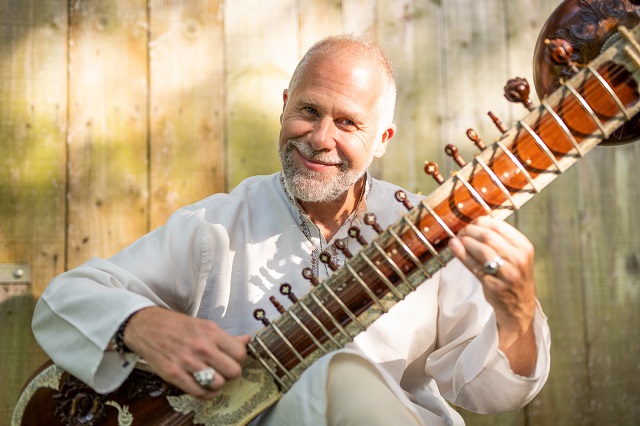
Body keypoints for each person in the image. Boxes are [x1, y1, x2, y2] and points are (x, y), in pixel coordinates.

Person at [32, 34, 550, 425]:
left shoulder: (436, 231)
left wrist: (519, 315)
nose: (320, 137)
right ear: (284, 106)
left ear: (384, 138)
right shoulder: (216, 226)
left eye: (347, 122)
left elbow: (495, 393)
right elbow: (65, 300)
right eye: (308, 111)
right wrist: (144, 324)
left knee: (338, 376)